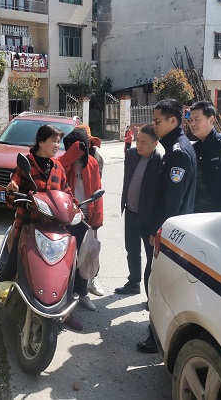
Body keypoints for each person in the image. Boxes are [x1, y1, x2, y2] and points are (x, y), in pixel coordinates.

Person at [0, 124, 72, 334]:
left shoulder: (58, 168)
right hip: (27, 228)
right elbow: (11, 194)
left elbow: (66, 193)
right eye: (54, 141)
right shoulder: (25, 164)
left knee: (66, 269)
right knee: (10, 270)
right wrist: (11, 190)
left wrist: (74, 207)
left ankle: (67, 312)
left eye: (59, 141)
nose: (57, 145)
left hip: (52, 231)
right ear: (41, 142)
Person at [136, 98, 197, 354]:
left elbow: (172, 201)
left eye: (157, 120)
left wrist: (157, 233)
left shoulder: (178, 152)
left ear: (173, 120)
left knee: (157, 282)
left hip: (167, 234)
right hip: (166, 232)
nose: (154, 125)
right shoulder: (173, 147)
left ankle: (156, 336)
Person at [59, 128, 104, 325]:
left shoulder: (92, 163)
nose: (77, 151)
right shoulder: (63, 163)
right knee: (66, 259)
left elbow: (97, 192)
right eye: (72, 147)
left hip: (86, 218)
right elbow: (58, 170)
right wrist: (70, 156)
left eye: (79, 147)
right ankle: (64, 294)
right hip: (66, 216)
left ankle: (82, 292)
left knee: (85, 258)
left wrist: (97, 221)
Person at [116, 124, 162, 300]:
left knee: (151, 257)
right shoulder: (131, 155)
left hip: (147, 217)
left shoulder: (160, 162)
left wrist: (155, 226)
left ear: (155, 144)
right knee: (132, 249)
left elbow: (159, 195)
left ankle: (151, 298)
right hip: (130, 211)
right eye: (137, 140)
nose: (139, 145)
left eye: (144, 142)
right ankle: (133, 282)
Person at [73, 124, 105, 296]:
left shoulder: (95, 161)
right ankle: (71, 289)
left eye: (86, 143)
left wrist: (96, 219)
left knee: (89, 253)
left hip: (88, 214)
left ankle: (90, 282)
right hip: (70, 214)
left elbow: (97, 190)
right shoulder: (67, 161)